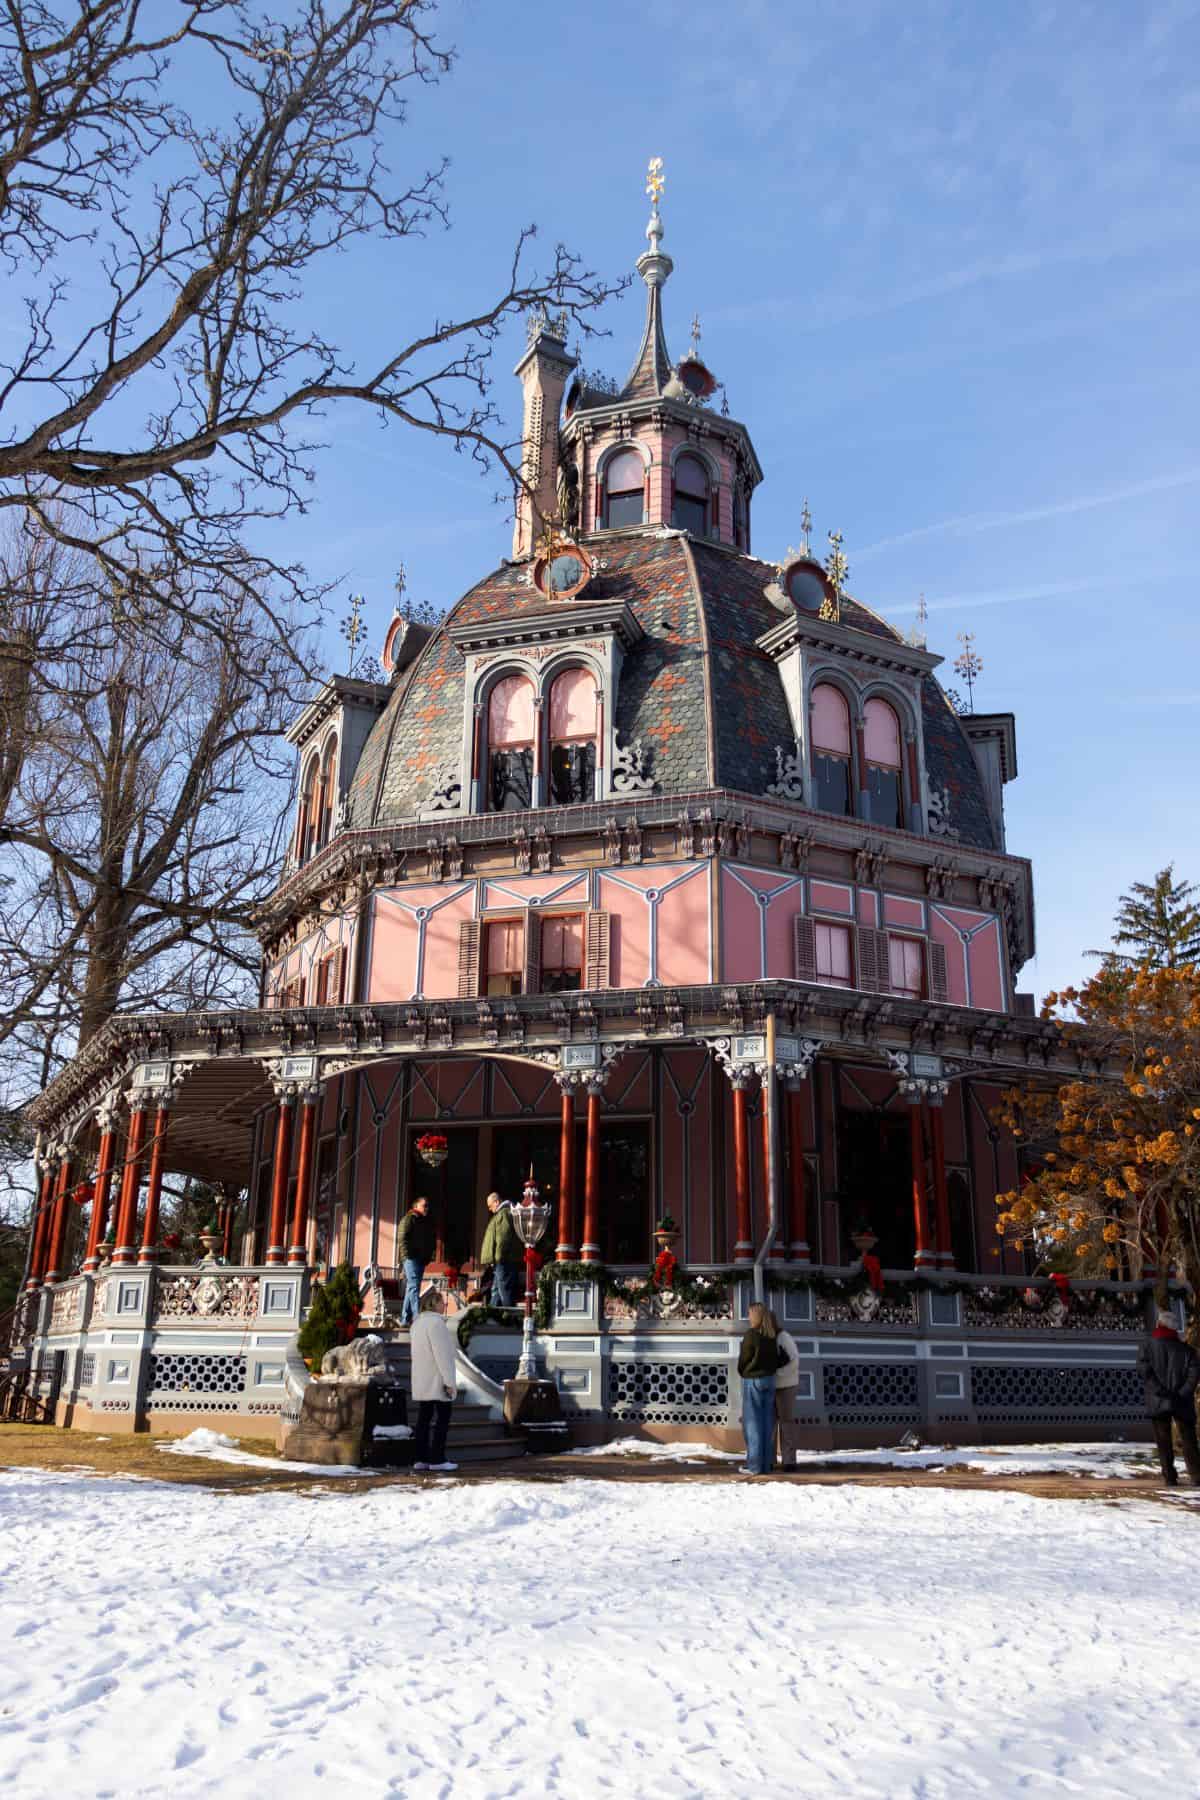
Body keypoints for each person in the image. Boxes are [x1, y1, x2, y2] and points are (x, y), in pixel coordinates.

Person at [1137, 1306, 1200, 1487]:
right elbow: (1193, 1375)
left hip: (1158, 1400)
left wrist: (1160, 1391)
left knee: (1163, 1440)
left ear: (1159, 1324)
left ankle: (1169, 1477)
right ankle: (1196, 1475)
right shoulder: (1187, 1350)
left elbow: (1144, 1371)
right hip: (1182, 1400)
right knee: (1189, 1439)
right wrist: (1181, 1393)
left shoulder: (1147, 1346)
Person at [409, 1287, 458, 1474]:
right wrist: (449, 1382)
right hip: (437, 1380)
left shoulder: (417, 1324)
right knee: (442, 1419)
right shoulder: (437, 1324)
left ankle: (420, 1458)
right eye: (441, 1302)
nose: (444, 1305)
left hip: (422, 1378)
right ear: (434, 1304)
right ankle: (437, 1458)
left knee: (424, 1418)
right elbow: (443, 1355)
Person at [737, 1300, 788, 1475]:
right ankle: (765, 1465)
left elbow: (744, 1358)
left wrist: (744, 1371)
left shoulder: (751, 1334)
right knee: (767, 1424)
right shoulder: (771, 1335)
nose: (749, 1316)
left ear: (755, 1316)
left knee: (753, 1425)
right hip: (770, 1380)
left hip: (754, 1380)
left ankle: (754, 1466)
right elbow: (783, 1357)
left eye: (750, 1313)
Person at [480, 1191, 523, 1310]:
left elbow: (503, 1238)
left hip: (503, 1262)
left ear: (496, 1202)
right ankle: (492, 1317)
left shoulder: (503, 1215)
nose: (489, 1209)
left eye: (490, 1206)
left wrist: (497, 1259)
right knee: (496, 1291)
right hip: (501, 1261)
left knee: (504, 1293)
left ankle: (508, 1319)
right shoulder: (501, 1215)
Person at [397, 1195, 435, 1328]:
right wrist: (407, 1256)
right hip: (411, 1258)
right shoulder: (409, 1219)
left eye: (428, 1206)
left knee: (411, 1288)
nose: (427, 1208)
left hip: (420, 1259)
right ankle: (417, 1317)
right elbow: (402, 1238)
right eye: (425, 1205)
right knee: (414, 1286)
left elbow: (428, 1240)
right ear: (416, 1206)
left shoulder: (423, 1221)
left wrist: (428, 1256)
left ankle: (404, 1319)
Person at [769, 1308, 800, 1460]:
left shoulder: (784, 1337)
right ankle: (770, 1458)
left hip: (786, 1386)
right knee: (770, 1424)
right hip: (770, 1386)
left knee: (786, 1423)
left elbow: (794, 1361)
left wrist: (778, 1373)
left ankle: (789, 1460)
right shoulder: (766, 1338)